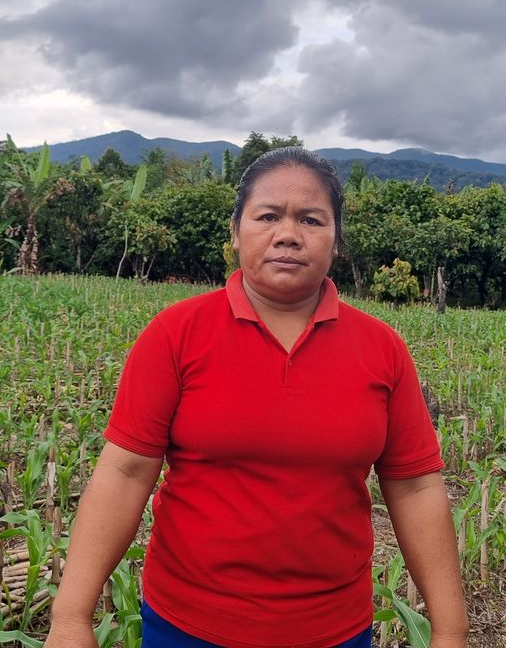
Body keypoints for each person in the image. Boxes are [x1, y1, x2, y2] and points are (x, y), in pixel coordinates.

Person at [45, 147, 469, 648]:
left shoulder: (382, 349)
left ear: (336, 239)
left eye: (311, 219)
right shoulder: (175, 335)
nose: (288, 233)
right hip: (188, 625)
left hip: (335, 630)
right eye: (267, 216)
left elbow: (415, 488)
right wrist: (70, 619)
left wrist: (449, 631)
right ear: (236, 230)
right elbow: (124, 472)